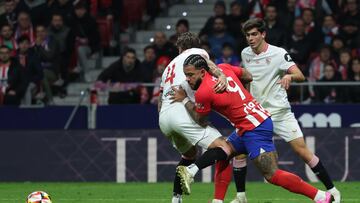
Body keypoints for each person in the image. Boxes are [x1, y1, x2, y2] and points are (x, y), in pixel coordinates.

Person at [172, 54, 334, 203]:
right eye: (186, 75)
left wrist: (185, 99)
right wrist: (244, 99)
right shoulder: (224, 68)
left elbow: (200, 120)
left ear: (202, 72)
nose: (187, 79)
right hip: (250, 123)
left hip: (256, 128)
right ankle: (215, 197)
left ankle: (320, 197)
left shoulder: (203, 92)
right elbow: (248, 76)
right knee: (224, 152)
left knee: (271, 174)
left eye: (190, 75)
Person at [217, 18, 341, 203]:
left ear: (263, 34)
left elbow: (300, 75)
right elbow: (249, 79)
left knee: (302, 151)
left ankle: (332, 190)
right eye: (247, 35)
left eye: (254, 34)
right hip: (256, 114)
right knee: (239, 152)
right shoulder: (245, 54)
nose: (250, 39)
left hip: (280, 112)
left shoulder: (278, 53)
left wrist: (289, 77)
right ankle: (241, 196)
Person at [158, 32, 235, 203]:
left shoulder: (168, 67)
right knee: (225, 148)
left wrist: (166, 121)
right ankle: (191, 171)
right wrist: (221, 75)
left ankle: (176, 199)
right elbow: (210, 66)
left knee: (189, 154)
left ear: (179, 48)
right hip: (181, 112)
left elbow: (160, 99)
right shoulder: (197, 54)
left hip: (164, 117)